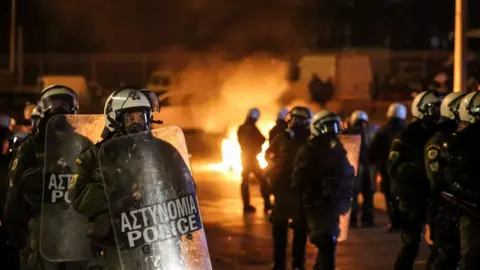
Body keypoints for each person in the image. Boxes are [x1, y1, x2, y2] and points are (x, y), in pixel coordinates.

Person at [70, 88, 208, 269]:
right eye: (131, 118)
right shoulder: (94, 156)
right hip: (119, 246)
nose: (138, 124)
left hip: (162, 242)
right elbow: (77, 197)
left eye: (141, 117)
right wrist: (115, 194)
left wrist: (164, 193)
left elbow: (188, 190)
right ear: (115, 119)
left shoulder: (165, 151)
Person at [3, 85, 81, 270]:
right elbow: (15, 192)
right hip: (41, 235)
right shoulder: (31, 147)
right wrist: (15, 236)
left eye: (65, 104)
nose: (59, 109)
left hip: (76, 236)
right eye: (54, 104)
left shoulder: (81, 143)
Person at [388, 90, 444, 270]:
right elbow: (394, 168)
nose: (436, 113)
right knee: (410, 245)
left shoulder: (441, 132)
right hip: (411, 198)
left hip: (433, 196)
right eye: (432, 109)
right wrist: (420, 168)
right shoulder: (406, 135)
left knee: (438, 246)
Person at [292, 110, 355, 270]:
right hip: (319, 204)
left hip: (330, 204)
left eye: (334, 125)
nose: (332, 130)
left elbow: (347, 171)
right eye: (329, 126)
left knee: (328, 244)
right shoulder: (312, 149)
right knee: (326, 243)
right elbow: (300, 180)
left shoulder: (333, 147)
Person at [266, 106, 312, 270]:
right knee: (281, 230)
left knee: (299, 231)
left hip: (298, 191)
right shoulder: (282, 138)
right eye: (293, 119)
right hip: (284, 191)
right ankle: (281, 265)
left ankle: (296, 265)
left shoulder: (310, 140)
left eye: (299, 120)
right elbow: (268, 154)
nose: (295, 123)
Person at [424, 92, 465, 270]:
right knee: (443, 256)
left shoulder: (463, 139)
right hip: (444, 208)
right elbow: (436, 179)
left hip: (463, 207)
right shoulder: (439, 141)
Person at [439, 91, 480, 269]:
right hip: (468, 208)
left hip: (468, 206)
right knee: (469, 256)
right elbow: (447, 180)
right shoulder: (457, 143)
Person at [368, 103, 407, 232]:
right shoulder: (407, 130)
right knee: (404, 195)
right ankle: (404, 222)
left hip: (387, 170)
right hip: (404, 170)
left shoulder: (383, 130)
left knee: (390, 197)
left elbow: (373, 150)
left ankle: (394, 222)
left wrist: (371, 161)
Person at [237, 108, 271, 213]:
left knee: (245, 182)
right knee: (263, 180)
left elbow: (241, 141)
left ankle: (246, 206)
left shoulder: (241, 128)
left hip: (244, 158)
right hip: (251, 158)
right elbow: (262, 139)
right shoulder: (252, 128)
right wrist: (257, 147)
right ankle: (267, 204)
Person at [346, 110, 376, 228]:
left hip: (354, 167)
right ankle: (367, 220)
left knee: (353, 194)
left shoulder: (349, 133)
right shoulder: (370, 132)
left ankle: (353, 219)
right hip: (367, 167)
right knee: (368, 194)